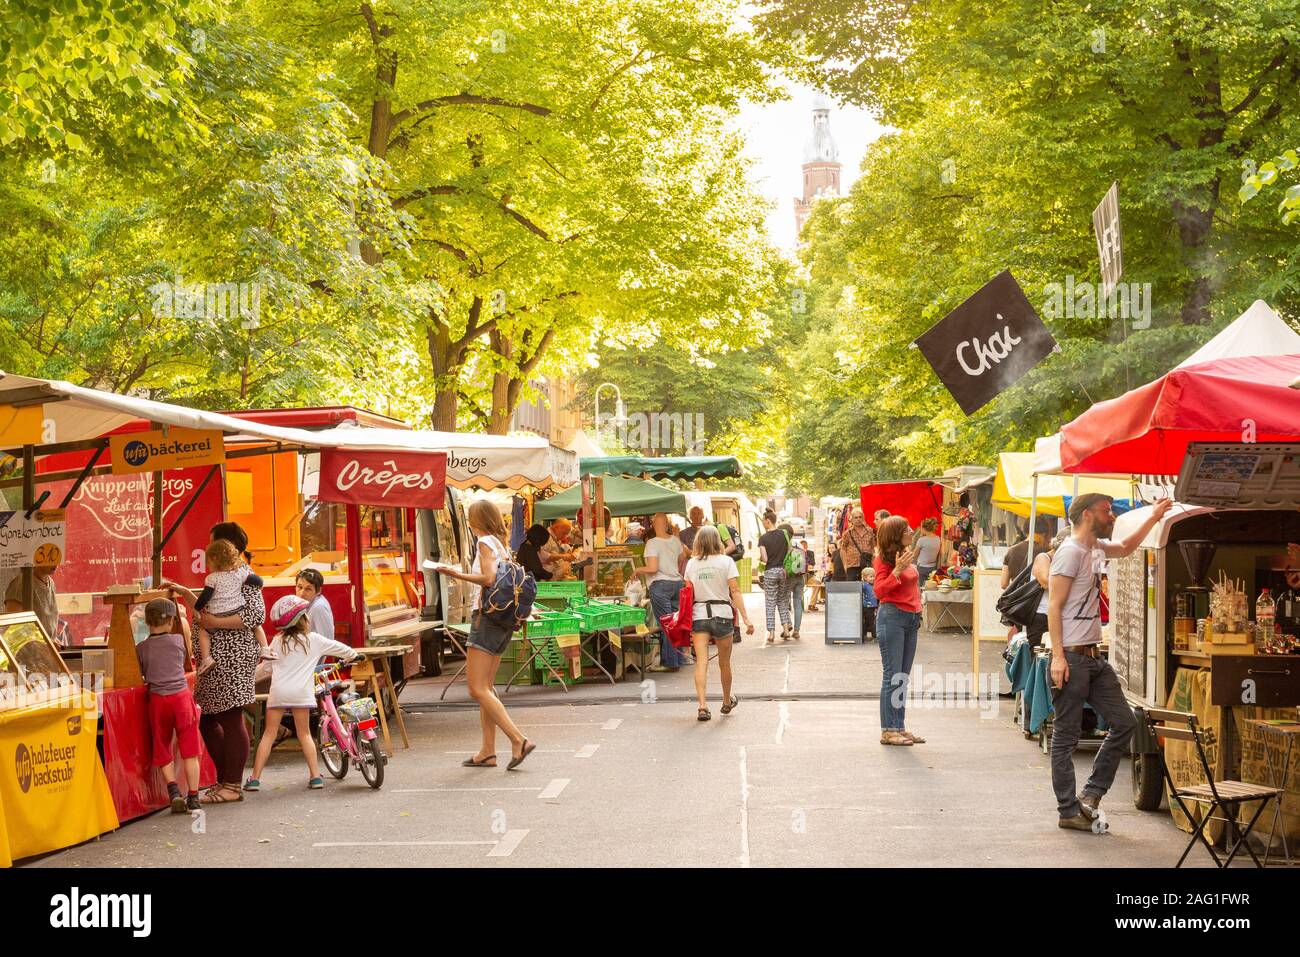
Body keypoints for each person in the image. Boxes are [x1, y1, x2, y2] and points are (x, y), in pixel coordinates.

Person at [1048, 493, 1170, 831]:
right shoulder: (1070, 552)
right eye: (1106, 511)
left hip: (1092, 658)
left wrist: (1155, 515)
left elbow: (1129, 546)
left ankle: (1090, 795)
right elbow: (1054, 607)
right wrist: (1058, 657)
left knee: (1126, 722)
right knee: (1066, 738)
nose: (1112, 516)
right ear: (1087, 514)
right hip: (1072, 657)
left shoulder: (1095, 548)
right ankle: (1068, 811)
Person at [428, 499, 535, 770]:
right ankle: (487, 751)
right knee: (487, 687)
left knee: (476, 688)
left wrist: (456, 574)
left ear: (476, 520)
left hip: (486, 618)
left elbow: (488, 579)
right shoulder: (502, 545)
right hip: (503, 621)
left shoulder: (485, 542)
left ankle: (518, 740)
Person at [165, 521, 265, 805]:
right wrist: (186, 593)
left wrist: (214, 623)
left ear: (226, 547)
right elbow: (206, 608)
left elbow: (255, 615)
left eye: (212, 542)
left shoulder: (245, 576)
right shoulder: (223, 577)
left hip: (231, 656)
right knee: (209, 718)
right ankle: (226, 780)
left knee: (230, 717)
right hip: (215, 659)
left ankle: (231, 784)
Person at [244, 596, 357, 792]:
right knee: (304, 734)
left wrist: (247, 678)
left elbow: (267, 668)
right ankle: (315, 776)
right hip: (301, 694)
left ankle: (254, 779)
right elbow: (345, 651)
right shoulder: (314, 640)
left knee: (268, 735)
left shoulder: (277, 641)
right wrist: (353, 656)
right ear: (302, 619)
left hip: (278, 692)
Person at [135, 598, 202, 813]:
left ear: (146, 621)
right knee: (190, 749)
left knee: (162, 744)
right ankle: (193, 796)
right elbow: (187, 655)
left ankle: (173, 790)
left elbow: (141, 673)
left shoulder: (141, 648)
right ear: (172, 620)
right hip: (181, 698)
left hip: (158, 700)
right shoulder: (177, 641)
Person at [684, 526, 754, 720]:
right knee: (724, 663)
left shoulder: (691, 564)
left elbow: (687, 594)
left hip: (699, 616)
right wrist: (746, 619)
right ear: (717, 541)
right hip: (722, 614)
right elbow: (735, 591)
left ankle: (702, 706)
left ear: (698, 542)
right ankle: (725, 701)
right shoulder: (726, 561)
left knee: (701, 662)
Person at [873, 516, 925, 746]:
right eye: (907, 528)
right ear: (896, 534)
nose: (912, 530)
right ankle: (888, 729)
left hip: (910, 619)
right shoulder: (883, 560)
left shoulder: (906, 554)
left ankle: (899, 726)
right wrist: (897, 570)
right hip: (892, 617)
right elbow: (879, 591)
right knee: (892, 676)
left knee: (902, 678)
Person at [194, 538, 272, 676]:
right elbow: (258, 580)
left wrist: (197, 608)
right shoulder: (241, 573)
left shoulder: (212, 578)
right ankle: (265, 648)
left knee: (203, 632)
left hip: (218, 612)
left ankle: (207, 658)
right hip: (237, 609)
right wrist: (260, 586)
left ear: (214, 561)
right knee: (256, 627)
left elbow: (205, 596)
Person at [637, 512, 688, 672]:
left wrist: (638, 569)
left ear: (653, 525)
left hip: (660, 585)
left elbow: (653, 568)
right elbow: (682, 557)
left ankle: (670, 662)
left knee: (667, 624)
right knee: (675, 622)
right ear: (667, 525)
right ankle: (679, 659)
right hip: (677, 584)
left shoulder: (652, 543)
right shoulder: (675, 540)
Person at [1025, 531, 1069, 648]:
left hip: (1059, 616)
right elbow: (1045, 582)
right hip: (1041, 616)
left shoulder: (1064, 562)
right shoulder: (1043, 558)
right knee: (1038, 657)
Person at [757, 509, 794, 644]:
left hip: (770, 572)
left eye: (763, 521)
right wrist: (783, 560)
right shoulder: (783, 534)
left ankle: (771, 633)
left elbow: (765, 559)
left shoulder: (763, 538)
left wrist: (761, 557)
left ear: (768, 520)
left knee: (770, 603)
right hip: (783, 572)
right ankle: (785, 629)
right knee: (783, 601)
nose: (763, 524)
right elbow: (790, 549)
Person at [4, 564, 60, 644]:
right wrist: (43, 645)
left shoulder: (50, 582)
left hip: (45, 653)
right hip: (28, 653)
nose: (55, 562)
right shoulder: (21, 584)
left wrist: (54, 640)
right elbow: (12, 627)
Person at [780, 522, 807, 640]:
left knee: (784, 602)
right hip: (800, 576)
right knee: (797, 603)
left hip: (788, 576)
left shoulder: (784, 545)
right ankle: (797, 630)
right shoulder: (799, 545)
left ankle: (788, 624)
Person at [294, 568, 335, 643]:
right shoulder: (305, 603)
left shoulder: (319, 607)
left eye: (308, 589)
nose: (302, 592)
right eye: (299, 587)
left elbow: (327, 642)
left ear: (318, 591)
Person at [837, 507, 875, 583]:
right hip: (852, 565)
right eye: (856, 517)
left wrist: (874, 563)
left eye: (860, 517)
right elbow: (843, 549)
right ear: (852, 519)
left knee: (868, 588)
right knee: (853, 590)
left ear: (863, 518)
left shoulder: (870, 531)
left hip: (867, 565)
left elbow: (873, 548)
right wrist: (845, 566)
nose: (858, 519)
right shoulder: (847, 533)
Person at [913, 518, 942, 589]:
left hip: (922, 567)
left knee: (922, 588)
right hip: (933, 567)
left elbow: (915, 554)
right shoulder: (938, 539)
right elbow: (939, 554)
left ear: (924, 528)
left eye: (921, 527)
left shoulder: (921, 540)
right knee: (931, 588)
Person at [860, 566, 879, 639]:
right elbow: (860, 589)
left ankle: (864, 635)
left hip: (873, 606)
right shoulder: (864, 585)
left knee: (868, 622)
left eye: (874, 576)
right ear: (865, 578)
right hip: (867, 607)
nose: (873, 578)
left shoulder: (873, 585)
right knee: (871, 622)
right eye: (871, 577)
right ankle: (875, 636)